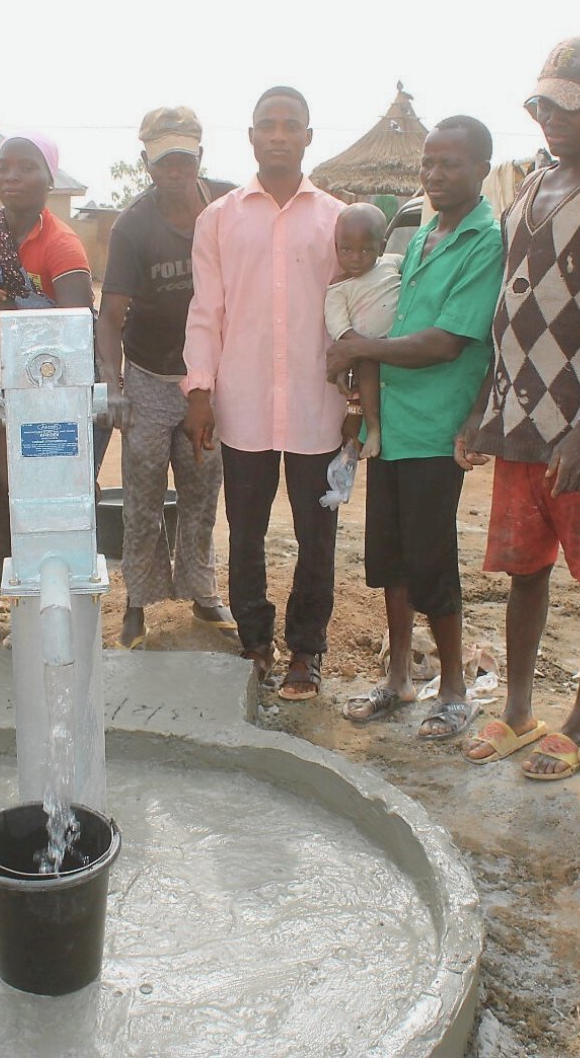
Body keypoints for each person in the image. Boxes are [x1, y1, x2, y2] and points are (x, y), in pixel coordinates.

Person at [330, 116, 503, 738]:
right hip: (393, 427)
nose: (434, 173)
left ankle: (454, 688)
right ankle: (399, 676)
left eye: (449, 163)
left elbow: (447, 342)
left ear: (482, 168)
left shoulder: (485, 242)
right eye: (429, 162)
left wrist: (361, 349)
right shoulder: (425, 233)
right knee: (391, 557)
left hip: (435, 426)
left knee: (431, 559)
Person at [459, 37, 580, 779]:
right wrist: (481, 409)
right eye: (544, 104)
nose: (552, 118)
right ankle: (517, 710)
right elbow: (506, 312)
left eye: (571, 106)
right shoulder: (530, 188)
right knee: (524, 569)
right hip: (520, 421)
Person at [183, 86, 345, 699]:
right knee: (245, 531)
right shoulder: (219, 219)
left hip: (316, 405)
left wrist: (357, 402)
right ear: (251, 136)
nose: (279, 134)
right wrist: (200, 390)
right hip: (244, 402)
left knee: (316, 535)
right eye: (267, 125)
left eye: (290, 124)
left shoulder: (336, 220)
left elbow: (352, 312)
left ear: (308, 136)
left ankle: (306, 649)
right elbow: (206, 311)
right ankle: (254, 643)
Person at [98, 107, 235, 649]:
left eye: (183, 159)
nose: (174, 170)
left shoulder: (227, 205)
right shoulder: (133, 226)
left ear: (200, 157)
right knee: (143, 493)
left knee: (202, 487)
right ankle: (137, 602)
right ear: (146, 163)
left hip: (213, 378)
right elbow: (110, 315)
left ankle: (202, 594)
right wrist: (114, 388)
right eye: (163, 162)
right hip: (152, 377)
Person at [0, 132, 98, 648]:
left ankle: (57, 623)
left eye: (26, 168)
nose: (12, 177)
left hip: (51, 398)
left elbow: (74, 336)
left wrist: (9, 314)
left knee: (47, 500)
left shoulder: (61, 245)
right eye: (4, 167)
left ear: (49, 178)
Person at [324, 202, 402, 458]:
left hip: (401, 344)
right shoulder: (338, 287)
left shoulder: (392, 263)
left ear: (382, 247)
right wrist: (366, 347)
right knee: (367, 375)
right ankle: (374, 430)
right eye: (346, 249)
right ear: (336, 247)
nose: (355, 258)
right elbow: (338, 326)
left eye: (366, 250)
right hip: (366, 349)